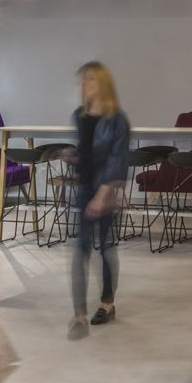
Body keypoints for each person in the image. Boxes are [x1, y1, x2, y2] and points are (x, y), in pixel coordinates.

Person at [66, 61, 131, 340]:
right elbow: (87, 152)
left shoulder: (117, 120)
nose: (84, 84)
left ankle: (107, 304)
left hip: (106, 193)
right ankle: (79, 315)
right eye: (83, 80)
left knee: (105, 248)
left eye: (90, 79)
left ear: (102, 83)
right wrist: (72, 156)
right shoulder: (79, 116)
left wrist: (103, 196)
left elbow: (117, 161)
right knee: (80, 250)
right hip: (84, 190)